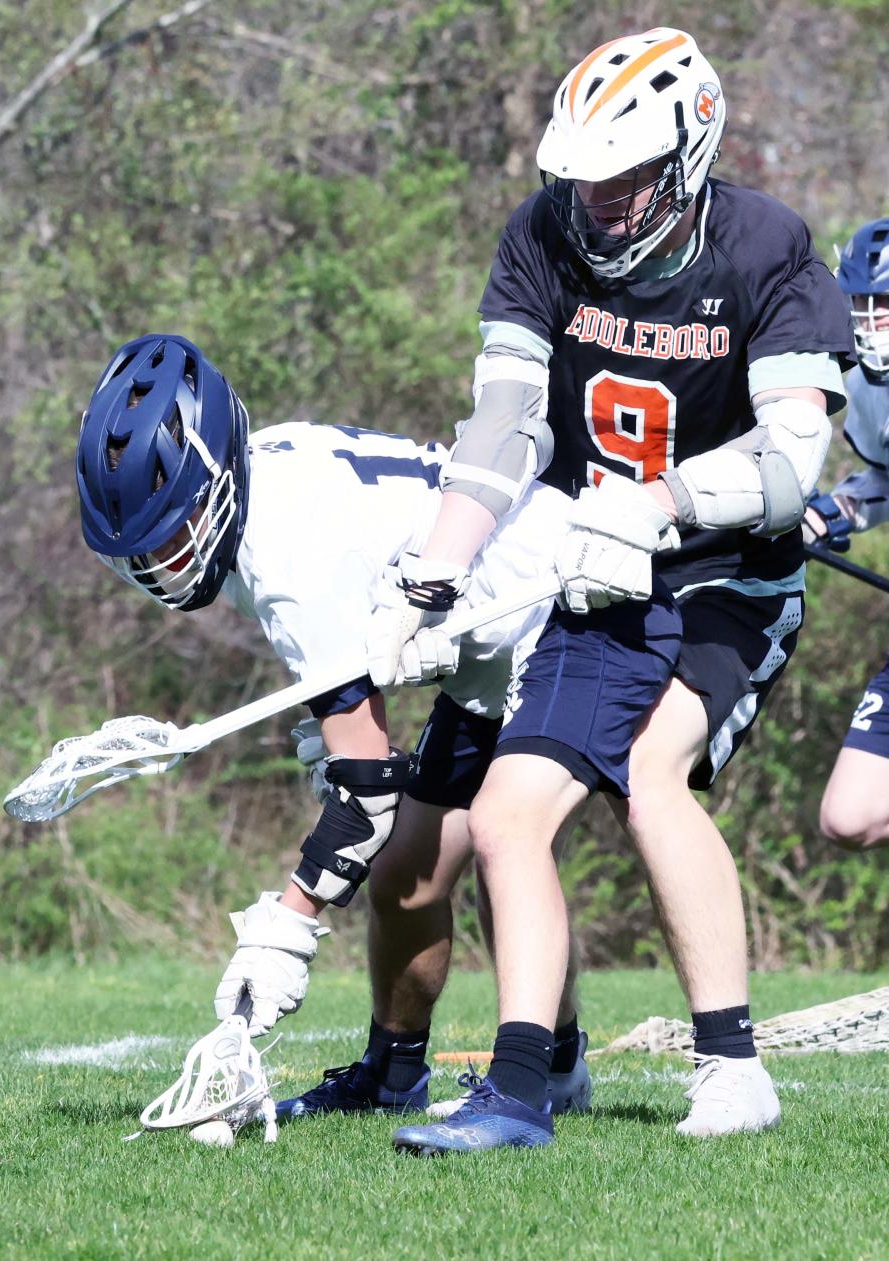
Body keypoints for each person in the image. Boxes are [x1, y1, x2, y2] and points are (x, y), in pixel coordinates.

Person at [346, 27, 853, 1153]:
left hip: (730, 573)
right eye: (585, 181)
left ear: (689, 157)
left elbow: (788, 465)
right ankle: (524, 1088)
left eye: (625, 180)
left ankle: (733, 1065)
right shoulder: (542, 236)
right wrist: (437, 566)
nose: (603, 204)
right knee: (505, 811)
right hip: (590, 568)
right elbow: (508, 422)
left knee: (650, 774)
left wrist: (657, 504)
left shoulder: (767, 247)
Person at [75, 331, 611, 1122]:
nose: (162, 562)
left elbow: (368, 796)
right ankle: (392, 1076)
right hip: (481, 637)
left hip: (546, 614)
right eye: (142, 549)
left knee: (506, 844)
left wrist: (286, 925)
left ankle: (552, 1073)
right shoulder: (270, 467)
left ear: (214, 479)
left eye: (173, 531)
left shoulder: (286, 560)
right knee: (407, 878)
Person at [802, 218, 889, 852]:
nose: (868, 323)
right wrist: (839, 510)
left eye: (883, 308)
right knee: (849, 815)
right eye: (862, 305)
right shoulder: (866, 388)